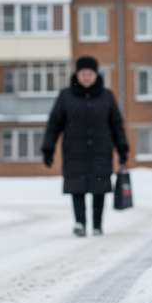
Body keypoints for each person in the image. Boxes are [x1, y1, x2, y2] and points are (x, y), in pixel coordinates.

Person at [41, 56, 129, 237]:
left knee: (99, 190)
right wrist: (48, 148)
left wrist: (122, 149)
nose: (86, 77)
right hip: (75, 152)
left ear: (96, 75)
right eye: (83, 74)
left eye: (90, 73)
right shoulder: (66, 96)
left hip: (100, 152)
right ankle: (80, 223)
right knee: (77, 189)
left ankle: (97, 225)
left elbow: (116, 124)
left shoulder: (107, 96)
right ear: (77, 74)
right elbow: (54, 124)